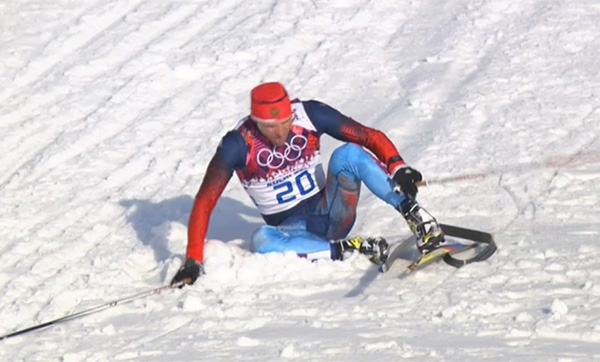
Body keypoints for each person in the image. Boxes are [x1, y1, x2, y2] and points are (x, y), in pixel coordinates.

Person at [170, 82, 445, 286]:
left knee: (348, 154)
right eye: (270, 126)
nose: (280, 132)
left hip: (332, 210)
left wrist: (398, 166)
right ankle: (352, 248)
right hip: (294, 232)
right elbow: (205, 201)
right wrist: (193, 259)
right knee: (261, 240)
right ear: (255, 122)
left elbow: (369, 136)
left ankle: (418, 218)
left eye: (285, 122)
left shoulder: (309, 114)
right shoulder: (237, 144)